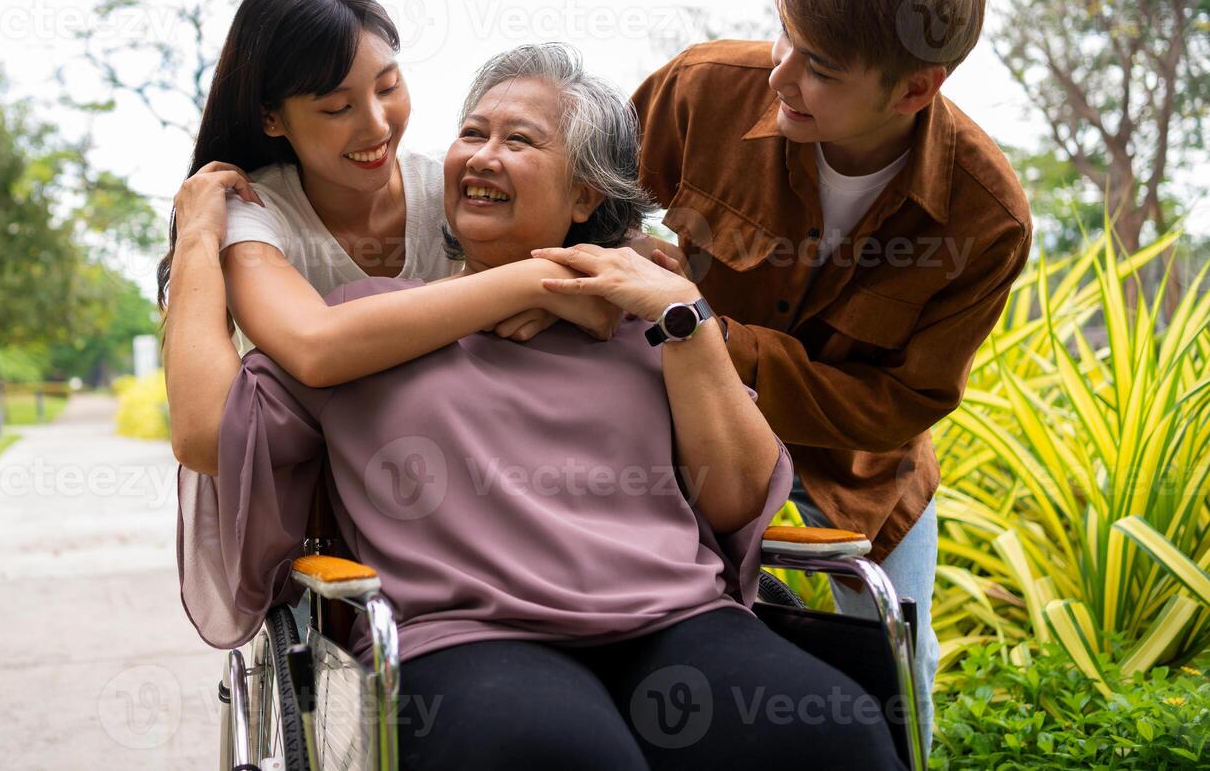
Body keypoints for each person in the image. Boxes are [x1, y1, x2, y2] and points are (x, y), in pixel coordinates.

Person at [179, 43, 906, 771]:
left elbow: (737, 500)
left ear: (585, 196)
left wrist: (687, 321)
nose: (484, 156)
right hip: (467, 636)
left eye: (519, 140)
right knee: (556, 753)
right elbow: (209, 433)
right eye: (472, 134)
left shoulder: (642, 317)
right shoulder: (362, 324)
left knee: (832, 735)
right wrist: (198, 241)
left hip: (679, 618)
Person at [568, 0, 1033, 750]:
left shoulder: (986, 215)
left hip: (853, 472)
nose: (781, 75)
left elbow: (899, 405)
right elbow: (582, 214)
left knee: (903, 676)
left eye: (818, 68)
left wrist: (705, 331)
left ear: (917, 88)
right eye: (783, 34)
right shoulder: (698, 89)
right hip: (670, 430)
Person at [159, 0, 634, 479]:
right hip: (307, 491)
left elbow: (629, 254)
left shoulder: (453, 187)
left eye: (387, 86)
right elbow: (313, 348)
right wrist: (534, 284)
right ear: (272, 118)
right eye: (337, 108)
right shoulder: (252, 211)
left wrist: (599, 277)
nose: (376, 125)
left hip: (433, 472)